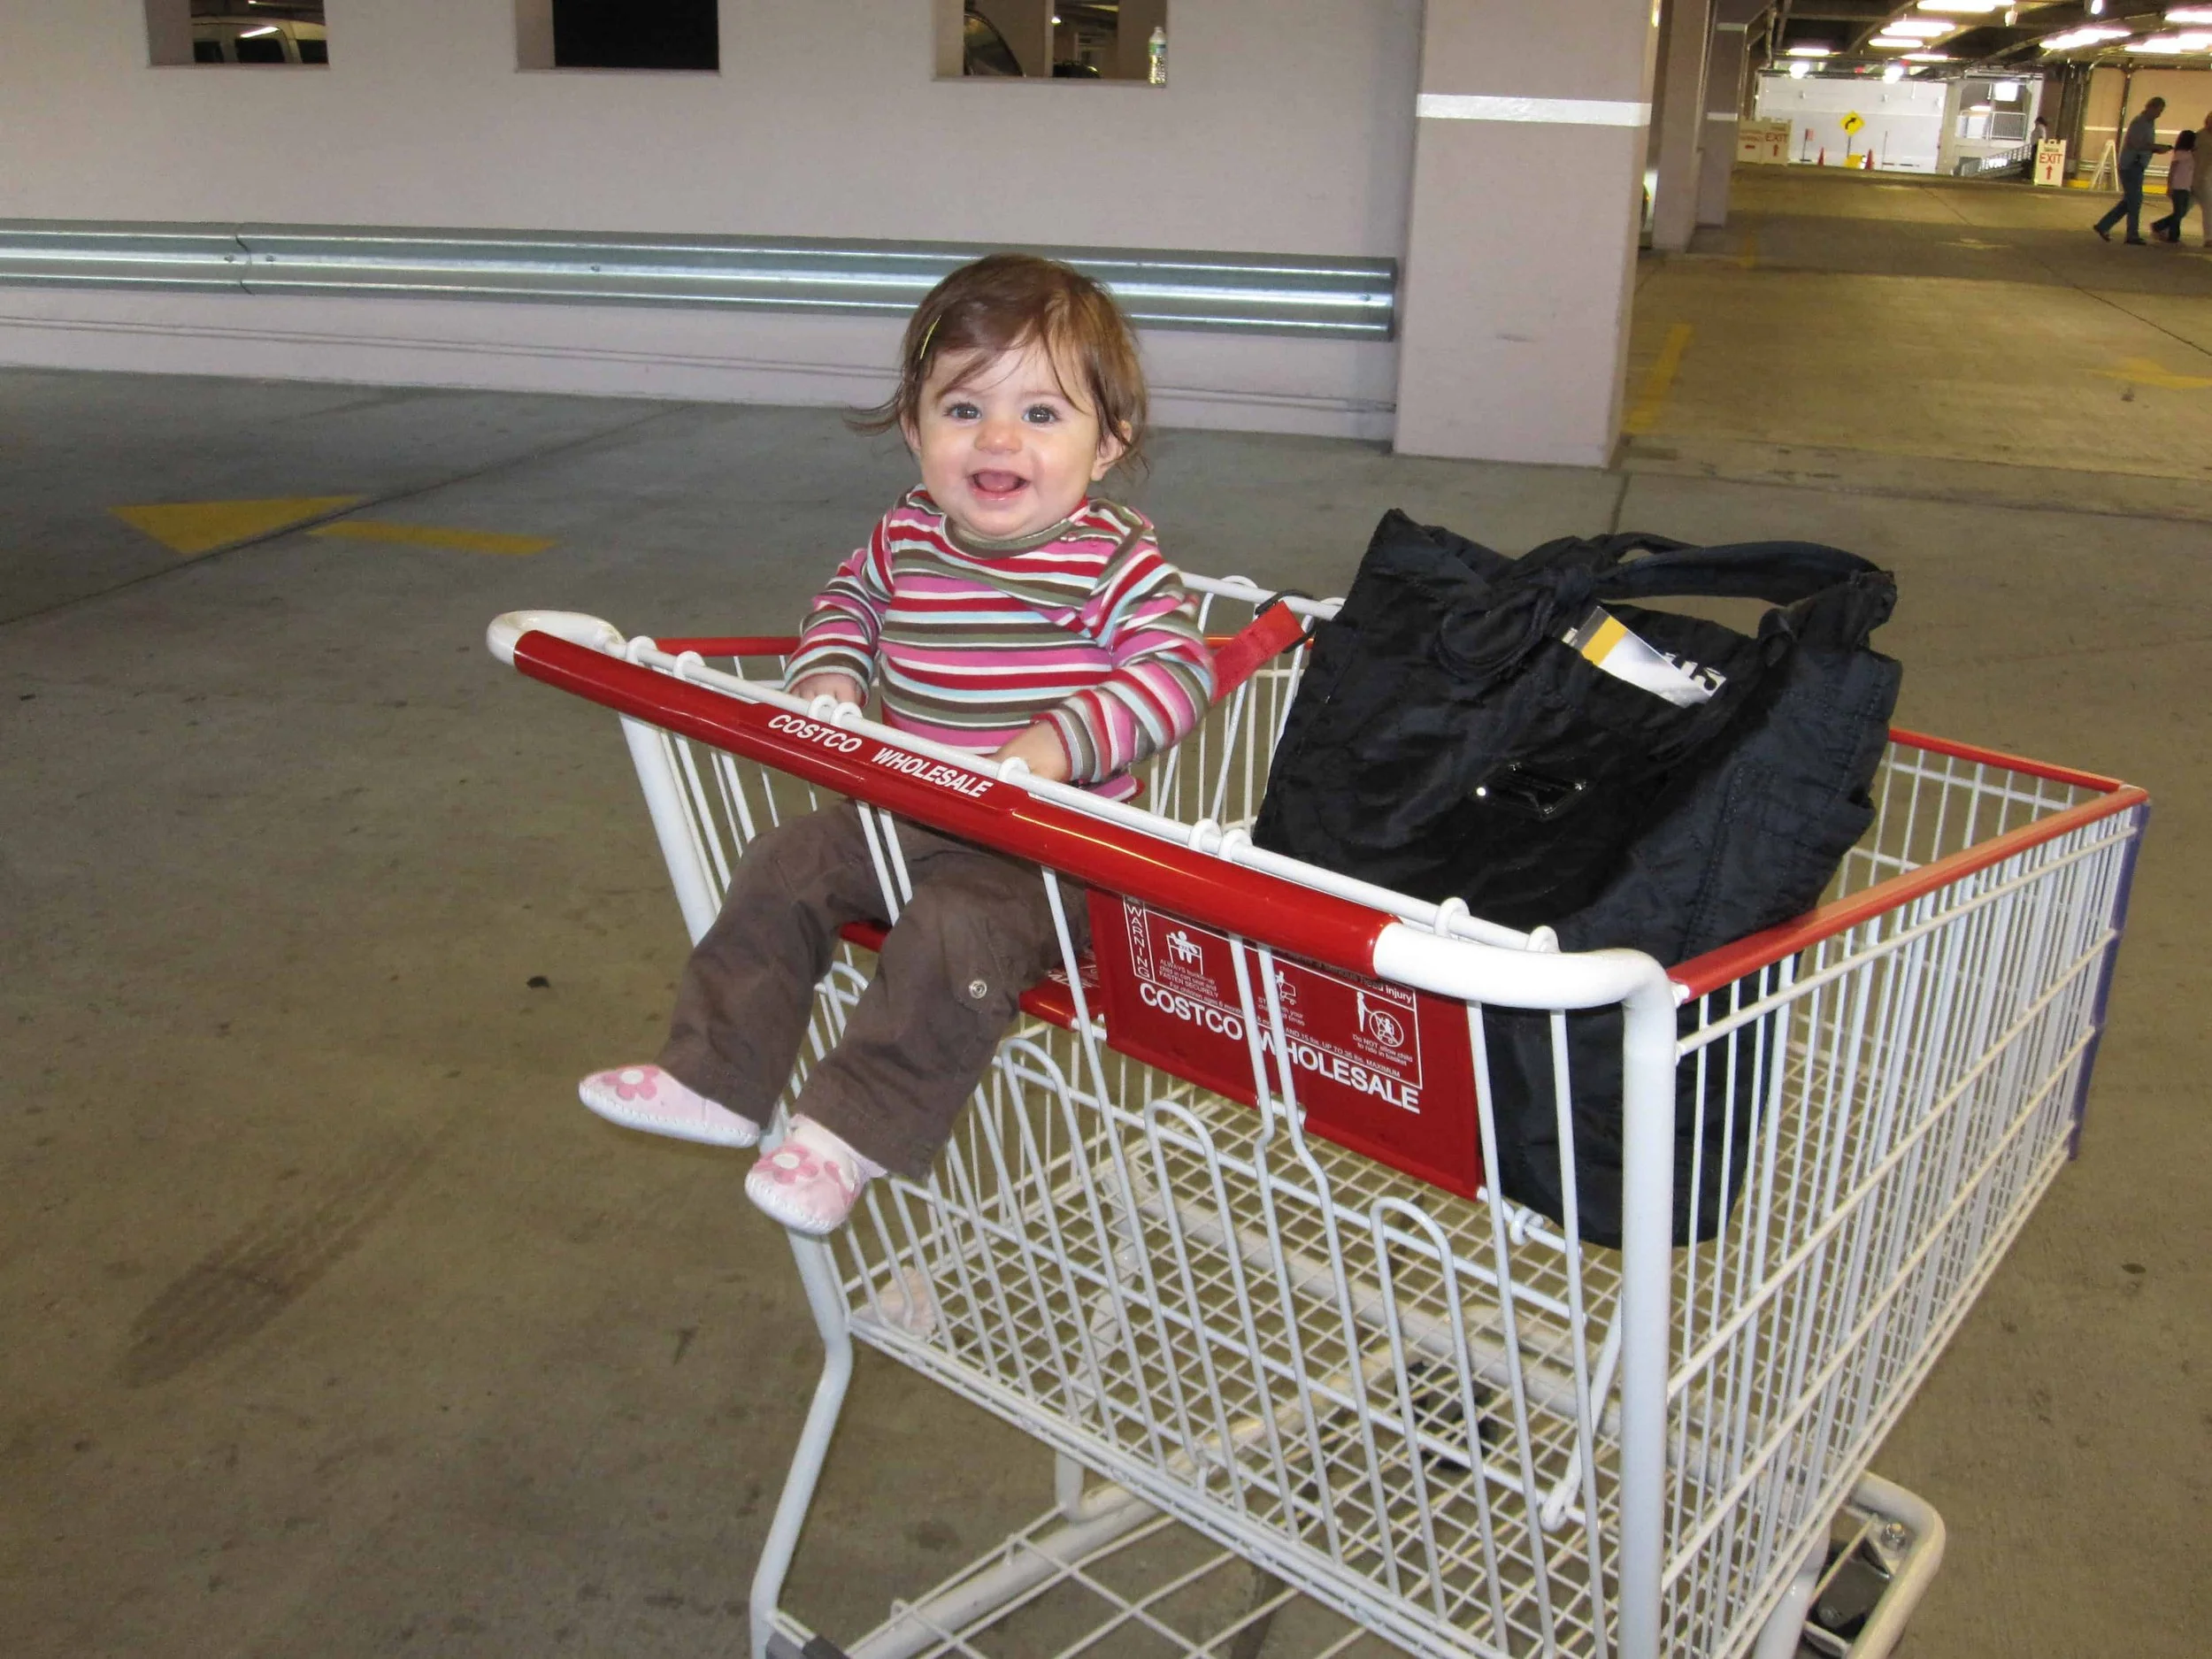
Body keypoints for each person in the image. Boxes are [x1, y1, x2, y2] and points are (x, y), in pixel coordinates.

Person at [577, 254, 1214, 1234]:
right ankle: (715, 1078)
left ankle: (846, 1137)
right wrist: (830, 669)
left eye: (1042, 414)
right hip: (906, 812)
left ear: (1108, 444)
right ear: (914, 429)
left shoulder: (1111, 558)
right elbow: (849, 603)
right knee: (786, 862)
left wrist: (1059, 740)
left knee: (956, 928)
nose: (997, 437)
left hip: (1047, 853)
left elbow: (1178, 672)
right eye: (963, 409)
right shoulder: (908, 531)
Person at [2093, 96, 2170, 245]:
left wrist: (2155, 149)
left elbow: (2142, 144)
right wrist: (2156, 147)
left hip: (2137, 164)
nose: (2159, 114)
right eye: (2159, 110)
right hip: (2132, 165)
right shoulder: (2140, 123)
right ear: (2151, 107)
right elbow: (2136, 144)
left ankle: (2104, 225)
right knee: (2135, 201)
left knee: (2130, 200)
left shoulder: (2148, 123)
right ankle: (2131, 234)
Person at [2149, 129, 2196, 243]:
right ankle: (2168, 231)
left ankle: (2167, 230)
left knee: (2181, 212)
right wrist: (2169, 186)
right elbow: (2172, 171)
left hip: (2186, 187)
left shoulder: (2191, 154)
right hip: (2178, 187)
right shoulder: (2180, 154)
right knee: (2179, 212)